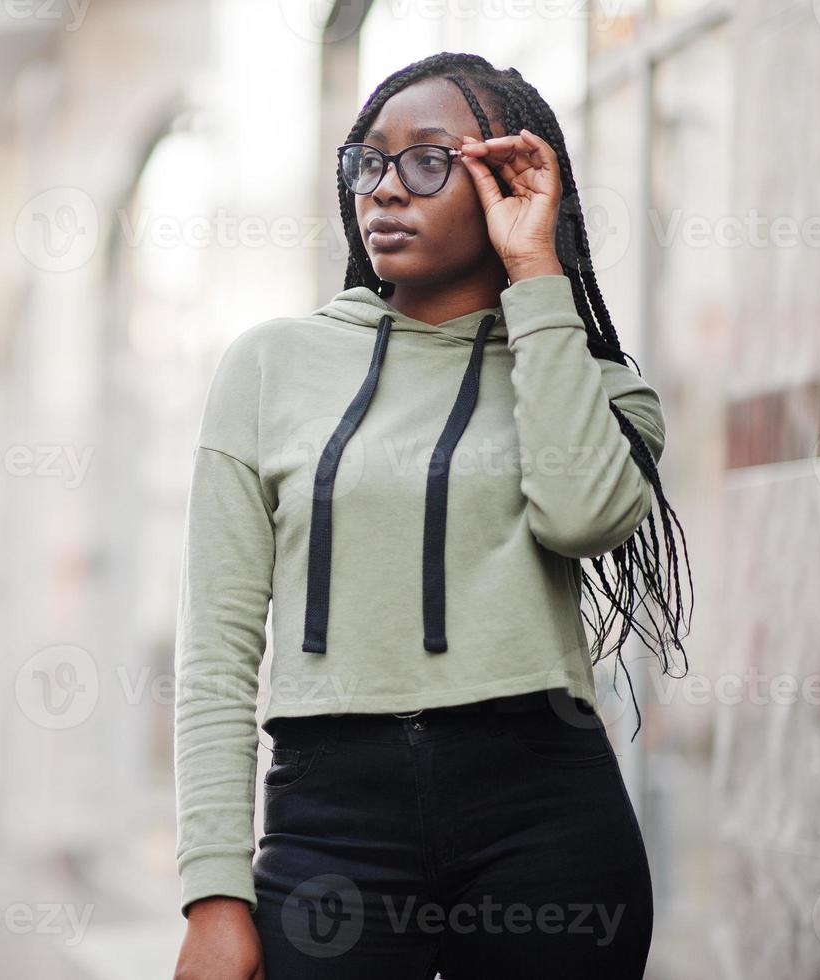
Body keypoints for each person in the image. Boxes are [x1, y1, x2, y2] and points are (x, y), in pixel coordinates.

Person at [171, 52, 694, 980]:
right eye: (366, 162)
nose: (384, 190)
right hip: (330, 822)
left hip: (542, 818)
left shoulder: (595, 387)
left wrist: (534, 273)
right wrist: (213, 891)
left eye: (426, 162)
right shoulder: (270, 366)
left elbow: (581, 519)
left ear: (509, 183)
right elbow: (216, 650)